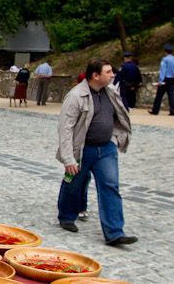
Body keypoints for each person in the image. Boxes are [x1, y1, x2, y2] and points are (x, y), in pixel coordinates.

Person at [57, 59, 136, 246]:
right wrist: (69, 158)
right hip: (83, 149)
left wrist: (116, 138)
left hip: (106, 148)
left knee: (110, 186)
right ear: (95, 75)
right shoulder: (76, 96)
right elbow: (65, 128)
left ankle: (114, 232)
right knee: (74, 183)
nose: (112, 75)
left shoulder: (111, 92)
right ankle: (66, 216)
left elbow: (119, 117)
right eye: (108, 72)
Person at [149, 44, 174, 116]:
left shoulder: (165, 59)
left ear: (165, 51)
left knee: (159, 95)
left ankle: (155, 110)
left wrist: (160, 80)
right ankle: (172, 111)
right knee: (171, 95)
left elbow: (163, 70)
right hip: (172, 78)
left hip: (165, 78)